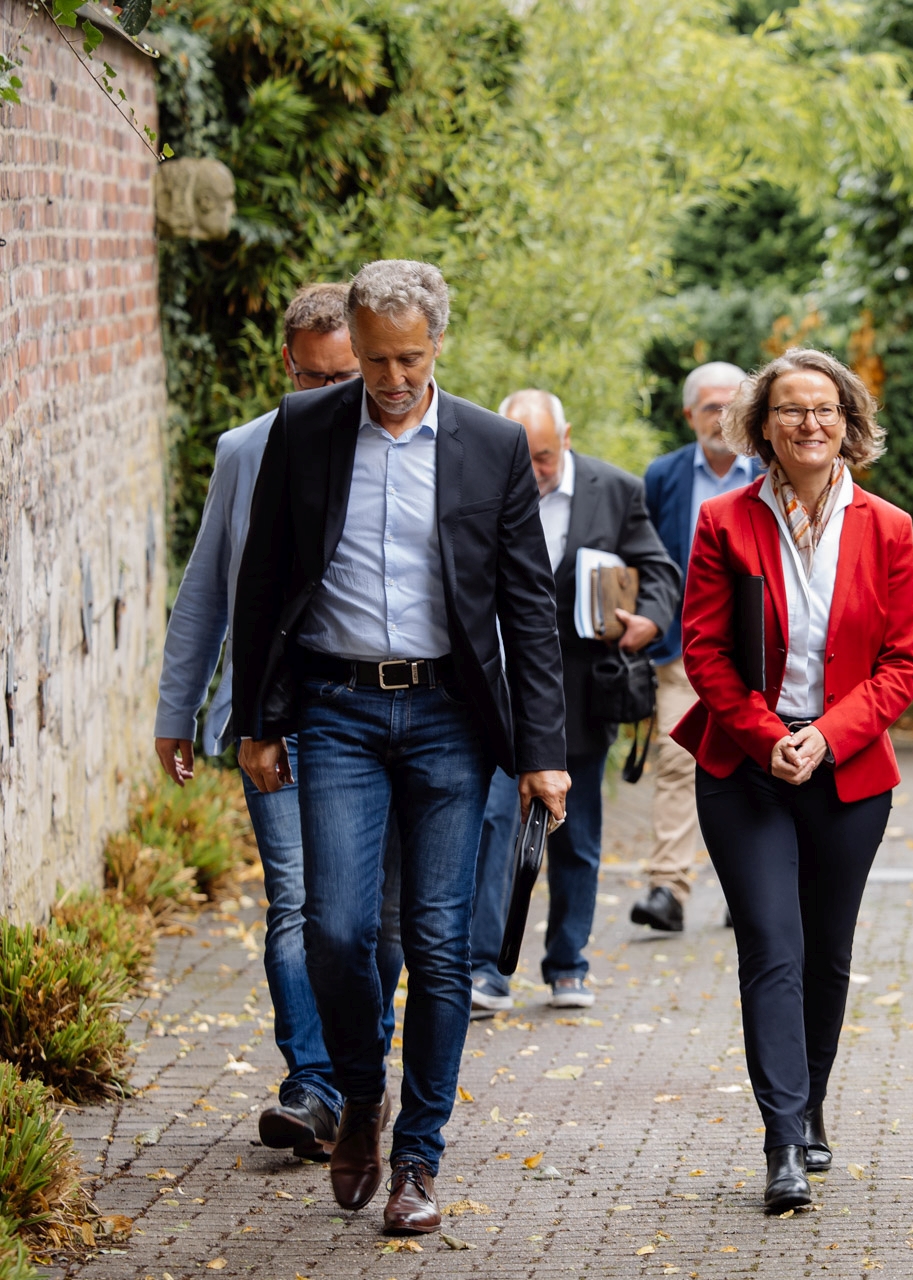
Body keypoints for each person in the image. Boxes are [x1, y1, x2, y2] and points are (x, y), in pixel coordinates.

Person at [231, 259, 570, 1234]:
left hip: (448, 720)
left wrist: (542, 749)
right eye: (374, 359)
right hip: (335, 709)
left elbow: (527, 610)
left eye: (408, 358)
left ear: (438, 347)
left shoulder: (490, 445)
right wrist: (258, 721)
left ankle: (417, 1155)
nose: (388, 378)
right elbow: (265, 582)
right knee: (336, 928)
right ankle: (360, 1094)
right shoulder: (305, 431)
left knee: (438, 942)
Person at [670, 348, 913, 1213]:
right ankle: (783, 1140)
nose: (809, 424)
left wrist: (825, 737)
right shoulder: (722, 522)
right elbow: (702, 651)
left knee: (827, 954)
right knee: (772, 948)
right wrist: (767, 735)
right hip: (745, 766)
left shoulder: (888, 528)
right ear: (762, 426)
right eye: (790, 410)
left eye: (825, 410)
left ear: (849, 423)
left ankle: (811, 1106)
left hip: (848, 770)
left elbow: (905, 663)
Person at [153, 282, 403, 1163]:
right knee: (296, 902)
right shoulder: (246, 451)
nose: (334, 395)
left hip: (378, 720)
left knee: (372, 917)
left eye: (350, 375)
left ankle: (358, 1070)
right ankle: (313, 1085)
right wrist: (178, 707)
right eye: (315, 378)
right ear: (285, 366)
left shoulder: (406, 445)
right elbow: (206, 591)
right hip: (272, 716)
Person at [469, 390, 680, 1014]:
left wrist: (648, 620)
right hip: (498, 695)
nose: (530, 470)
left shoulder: (614, 490)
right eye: (518, 455)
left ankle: (568, 964)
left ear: (566, 438)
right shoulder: (478, 486)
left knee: (576, 836)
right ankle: (485, 969)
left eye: (539, 455)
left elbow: (659, 569)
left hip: (581, 694)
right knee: (494, 828)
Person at [634, 362, 760, 933]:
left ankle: (753, 883)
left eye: (731, 405)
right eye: (710, 407)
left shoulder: (770, 469)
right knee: (677, 761)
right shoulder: (662, 477)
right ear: (689, 415)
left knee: (759, 763)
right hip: (685, 650)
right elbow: (647, 558)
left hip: (762, 651)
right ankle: (668, 887)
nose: (721, 417)